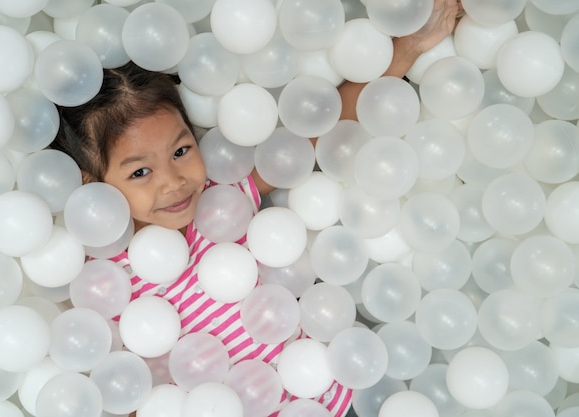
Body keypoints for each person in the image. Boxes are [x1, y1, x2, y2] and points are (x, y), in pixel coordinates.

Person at [50, 1, 463, 415]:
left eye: (181, 150)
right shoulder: (105, 280)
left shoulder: (220, 197)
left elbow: (321, 130)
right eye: (140, 173)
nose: (173, 181)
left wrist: (408, 46)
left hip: (337, 401)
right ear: (92, 186)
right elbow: (130, 389)